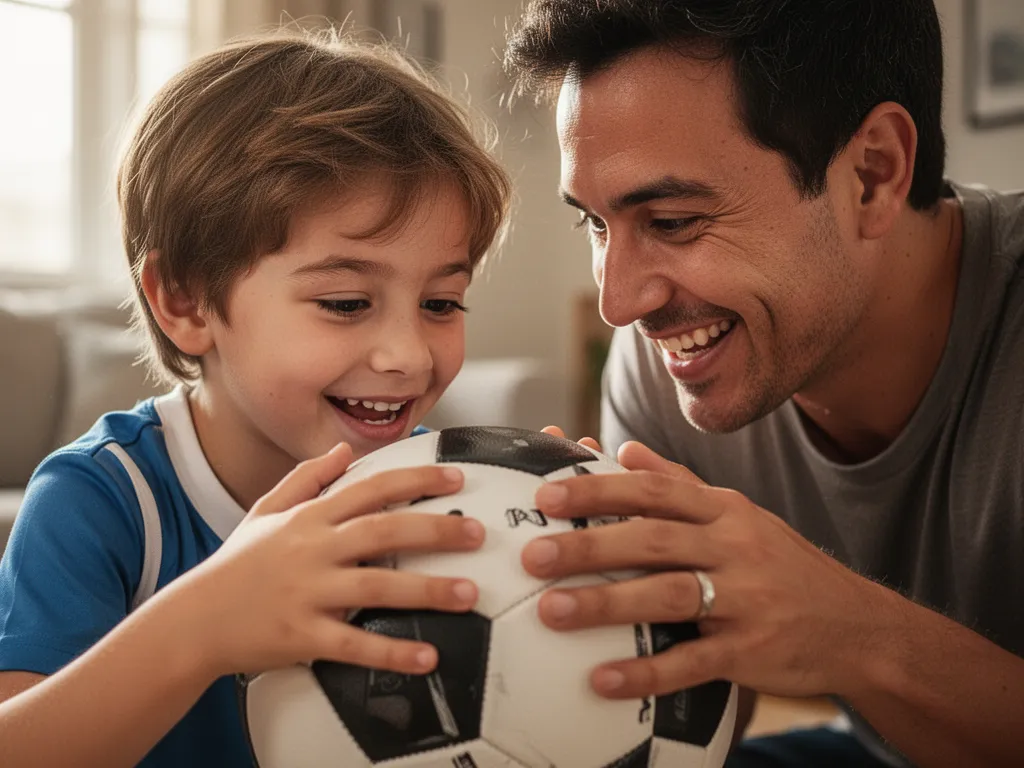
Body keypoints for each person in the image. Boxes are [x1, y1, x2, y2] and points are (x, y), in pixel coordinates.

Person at [505, 1, 1024, 766]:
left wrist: (853, 631)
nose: (619, 305)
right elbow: (697, 718)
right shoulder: (664, 373)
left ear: (873, 174)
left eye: (674, 221)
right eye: (596, 224)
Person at [0, 31, 510, 767]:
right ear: (185, 300)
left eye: (441, 302)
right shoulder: (105, 504)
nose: (408, 355)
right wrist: (205, 625)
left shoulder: (440, 498)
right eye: (344, 302)